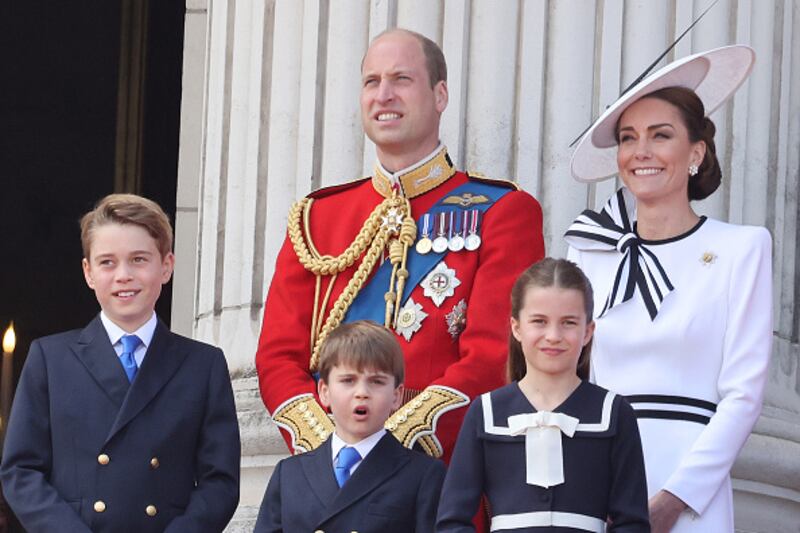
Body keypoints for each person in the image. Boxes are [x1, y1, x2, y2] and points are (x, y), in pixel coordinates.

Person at [255, 28, 544, 461]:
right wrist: (332, 451)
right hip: (330, 478)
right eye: (372, 82)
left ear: (440, 94)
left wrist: (387, 451)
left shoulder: (502, 211)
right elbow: (278, 357)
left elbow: (493, 355)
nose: (383, 95)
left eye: (401, 80)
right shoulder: (317, 218)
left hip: (438, 477)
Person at [565, 45, 772, 532]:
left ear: (695, 152)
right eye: (629, 138)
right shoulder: (588, 251)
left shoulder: (742, 248)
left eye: (661, 135)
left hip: (691, 491)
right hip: (595, 478)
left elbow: (742, 396)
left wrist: (675, 499)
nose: (641, 152)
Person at [0, 194, 241, 533]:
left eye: (139, 259)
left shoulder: (203, 366)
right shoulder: (49, 359)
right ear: (88, 272)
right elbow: (21, 472)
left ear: (167, 266)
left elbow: (221, 483)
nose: (123, 275)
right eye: (107, 262)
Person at [436, 258, 650, 532]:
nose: (553, 335)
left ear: (588, 331)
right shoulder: (486, 411)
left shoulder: (614, 413)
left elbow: (632, 523)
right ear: (516, 327)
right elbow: (453, 521)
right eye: (539, 321)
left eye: (568, 323)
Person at [254, 320, 446, 533]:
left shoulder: (423, 475)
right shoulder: (289, 474)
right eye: (348, 380)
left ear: (396, 395)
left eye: (376, 382)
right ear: (324, 391)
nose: (362, 392)